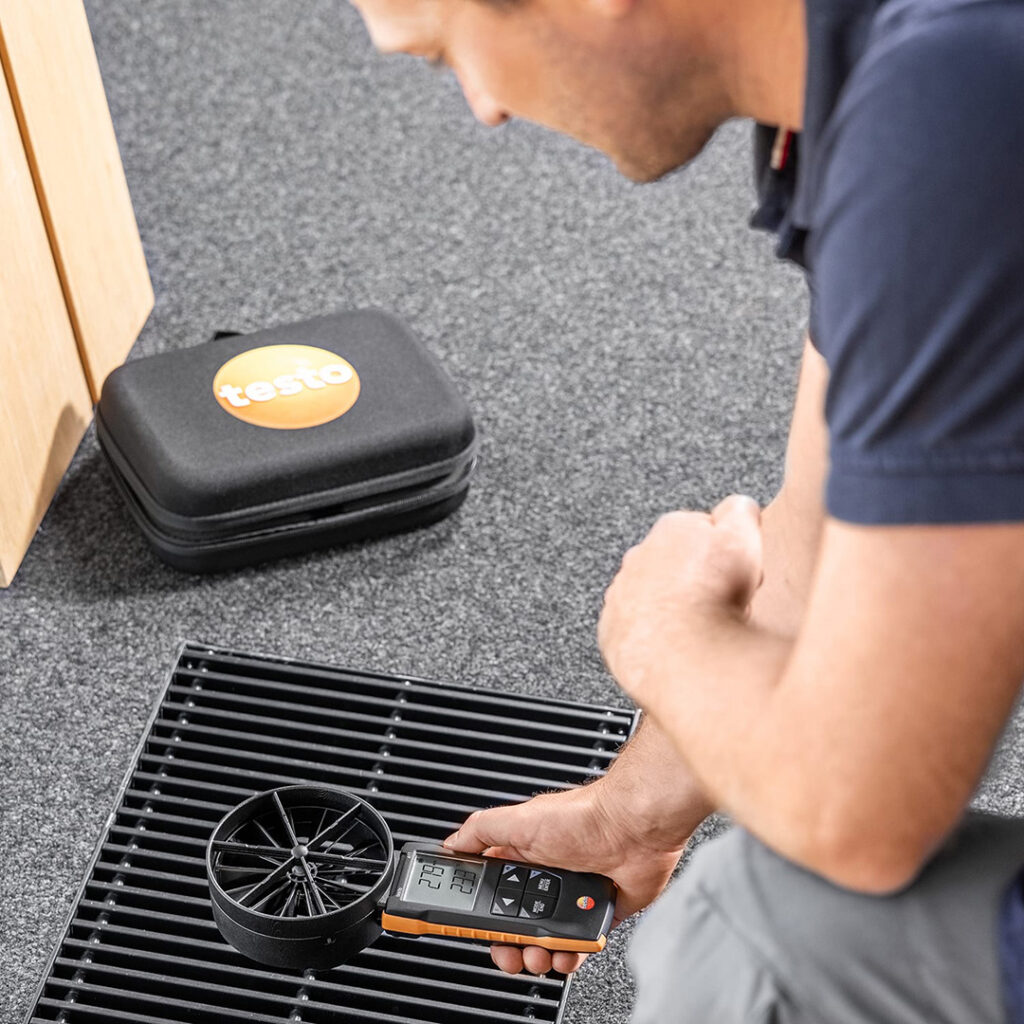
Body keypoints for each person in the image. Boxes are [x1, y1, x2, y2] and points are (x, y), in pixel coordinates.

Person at [346, 0, 1024, 1019]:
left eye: (448, 51)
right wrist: (633, 813)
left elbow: (860, 814)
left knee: (758, 931)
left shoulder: (959, 114)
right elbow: (824, 533)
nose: (483, 106)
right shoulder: (869, 78)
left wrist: (659, 631)